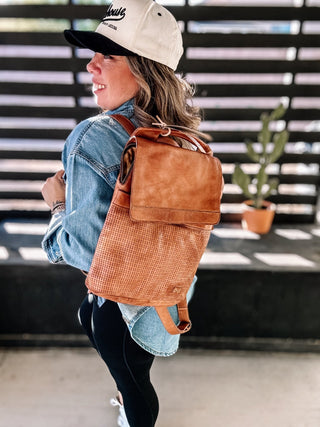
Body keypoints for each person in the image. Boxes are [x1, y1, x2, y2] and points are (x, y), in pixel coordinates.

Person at [41, 1, 207, 426]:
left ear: (144, 69)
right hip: (168, 294)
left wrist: (57, 203)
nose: (91, 66)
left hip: (121, 307)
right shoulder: (185, 139)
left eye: (107, 56)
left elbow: (81, 252)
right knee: (126, 364)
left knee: (135, 388)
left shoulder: (93, 137)